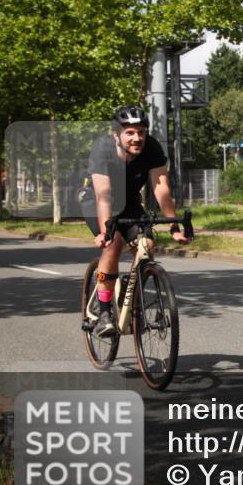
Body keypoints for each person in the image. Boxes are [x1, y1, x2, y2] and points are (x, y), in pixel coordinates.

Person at [80, 105, 190, 336]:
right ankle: (103, 314)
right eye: (129, 132)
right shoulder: (102, 149)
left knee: (147, 245)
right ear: (116, 135)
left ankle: (131, 296)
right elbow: (104, 195)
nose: (136, 138)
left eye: (141, 132)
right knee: (113, 246)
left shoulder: (151, 148)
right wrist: (105, 232)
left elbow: (161, 188)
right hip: (96, 200)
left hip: (129, 202)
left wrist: (174, 226)